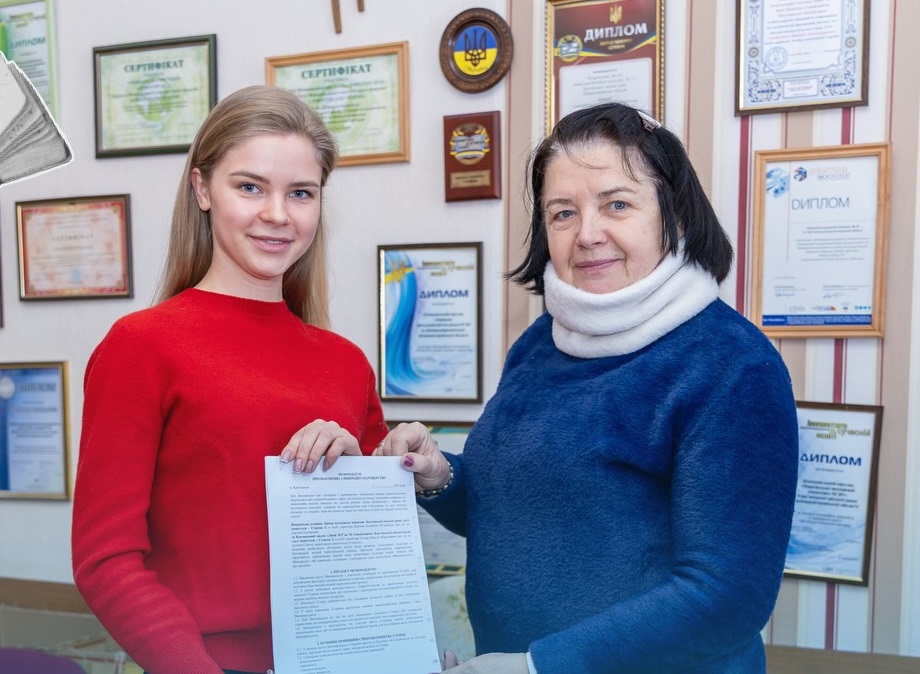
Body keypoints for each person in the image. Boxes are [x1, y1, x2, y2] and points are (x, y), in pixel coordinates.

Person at [377, 102, 799, 674]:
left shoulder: (733, 366)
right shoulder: (541, 343)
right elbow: (514, 514)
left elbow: (726, 597)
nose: (587, 235)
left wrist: (538, 665)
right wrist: (441, 478)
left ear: (674, 213)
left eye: (617, 204)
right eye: (563, 213)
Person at [72, 85, 389, 674]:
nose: (278, 214)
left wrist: (361, 472)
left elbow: (372, 552)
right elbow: (104, 559)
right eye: (250, 187)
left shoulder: (346, 362)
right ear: (202, 190)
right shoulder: (141, 346)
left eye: (301, 193)